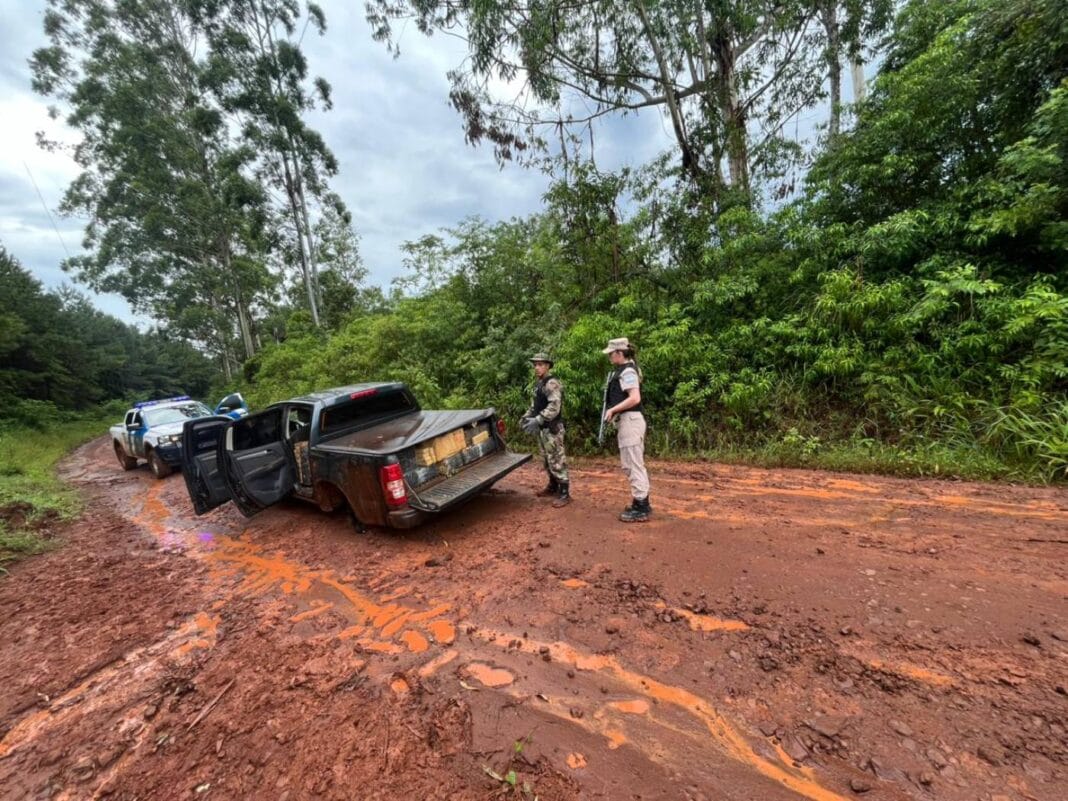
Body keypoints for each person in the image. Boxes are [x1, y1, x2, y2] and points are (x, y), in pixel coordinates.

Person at [601, 338, 651, 522]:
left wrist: (613, 410)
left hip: (631, 420)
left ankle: (641, 507)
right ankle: (639, 502)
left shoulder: (628, 371)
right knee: (629, 463)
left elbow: (634, 398)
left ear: (619, 353)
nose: (609, 356)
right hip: (627, 421)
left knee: (634, 463)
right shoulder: (625, 369)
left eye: (611, 353)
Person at [520, 352, 571, 508]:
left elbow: (554, 407)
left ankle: (564, 492)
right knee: (547, 459)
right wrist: (526, 417)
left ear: (548, 366)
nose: (537, 367)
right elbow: (534, 406)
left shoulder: (551, 383)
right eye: (535, 365)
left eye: (540, 364)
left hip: (552, 428)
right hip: (542, 429)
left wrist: (538, 419)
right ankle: (553, 486)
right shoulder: (539, 384)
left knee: (557, 459)